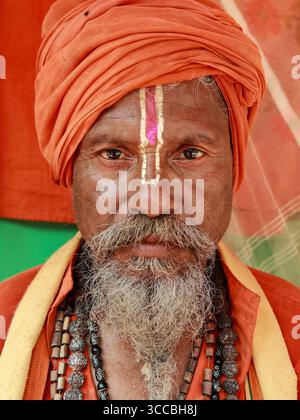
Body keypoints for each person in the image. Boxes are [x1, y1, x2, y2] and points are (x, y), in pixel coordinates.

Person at [0, 0, 299, 400]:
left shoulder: (291, 331)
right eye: (114, 155)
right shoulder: (6, 325)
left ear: (235, 168)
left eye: (190, 154)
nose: (154, 201)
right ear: (71, 170)